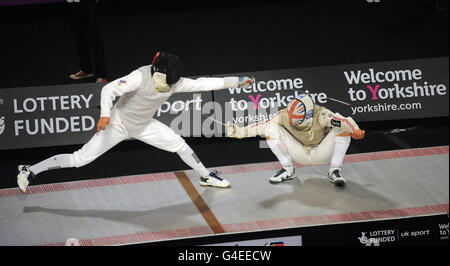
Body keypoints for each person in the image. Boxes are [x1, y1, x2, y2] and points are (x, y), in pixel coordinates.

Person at [17, 51, 254, 192]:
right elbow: (109, 90)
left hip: (144, 126)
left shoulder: (176, 82)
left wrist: (237, 80)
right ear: (158, 72)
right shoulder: (138, 77)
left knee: (180, 145)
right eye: (167, 81)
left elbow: (204, 83)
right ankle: (30, 170)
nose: (170, 86)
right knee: (80, 159)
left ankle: (206, 177)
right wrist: (105, 115)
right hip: (117, 125)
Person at [226, 93, 365, 187]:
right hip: (300, 153)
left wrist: (355, 130)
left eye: (298, 121)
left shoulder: (322, 115)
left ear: (309, 115)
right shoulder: (284, 115)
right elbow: (261, 126)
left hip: (322, 153)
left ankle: (334, 170)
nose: (293, 123)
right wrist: (238, 132)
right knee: (270, 127)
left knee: (343, 129)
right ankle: (288, 170)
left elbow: (343, 121)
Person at [67, 0, 107, 83]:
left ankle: (101, 75)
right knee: (79, 38)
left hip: (88, 3)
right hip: (71, 3)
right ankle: (86, 70)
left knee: (94, 38)